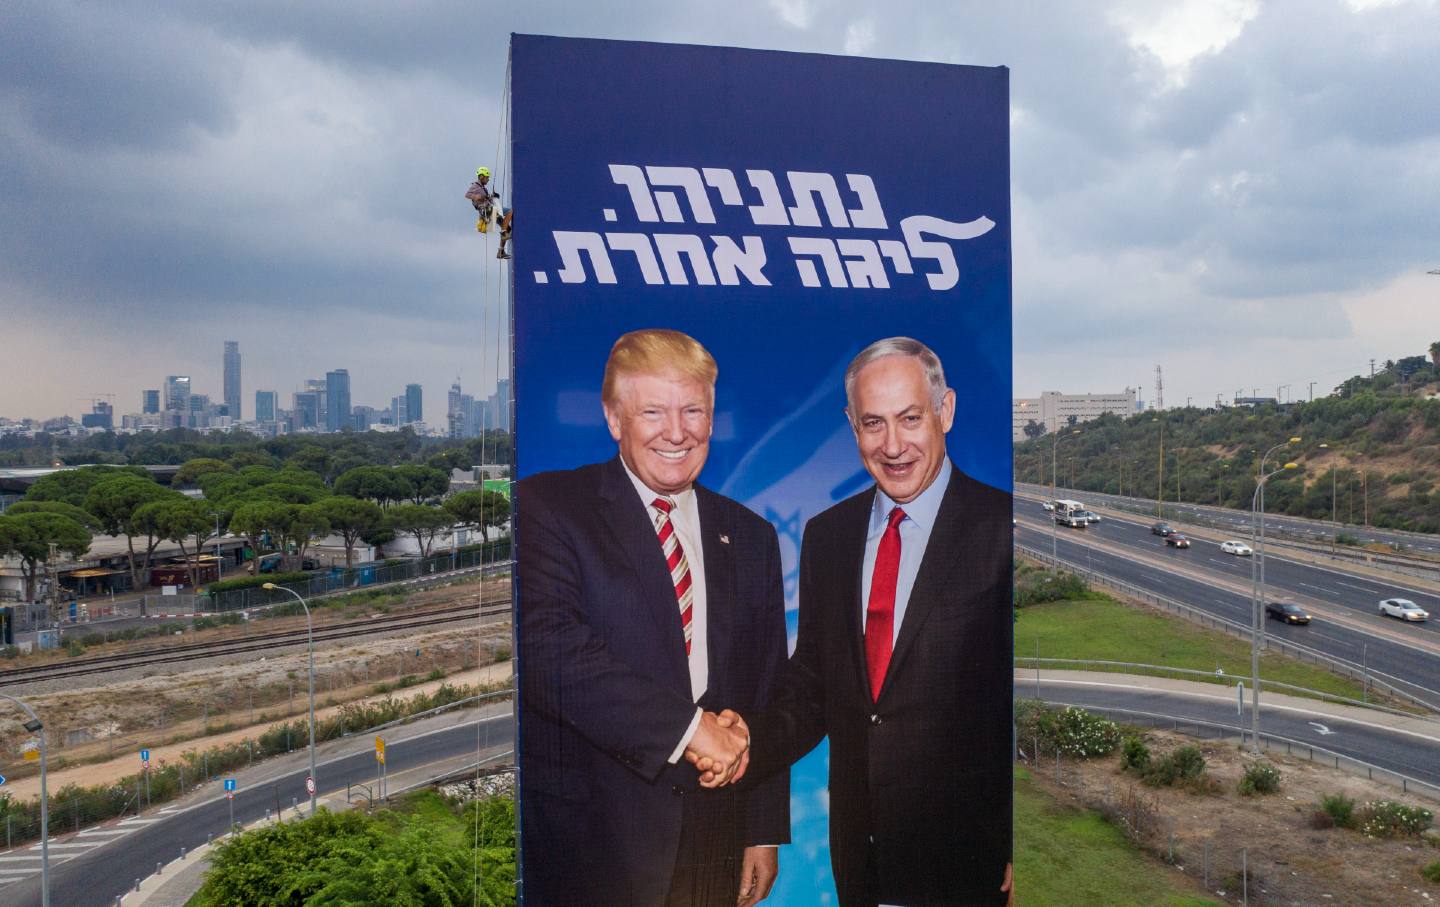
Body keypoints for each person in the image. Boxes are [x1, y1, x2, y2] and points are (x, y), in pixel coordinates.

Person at [706, 337, 1013, 906]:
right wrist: (750, 737)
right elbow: (815, 688)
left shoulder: (1004, 528)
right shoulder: (828, 537)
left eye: (910, 419)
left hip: (973, 863)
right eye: (873, 423)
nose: (893, 445)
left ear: (945, 411)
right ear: (851, 425)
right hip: (860, 861)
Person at [517, 328, 791, 906]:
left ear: (712, 419)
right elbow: (551, 653)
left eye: (693, 410)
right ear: (614, 419)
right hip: (594, 847)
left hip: (714, 841)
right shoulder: (549, 508)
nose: (676, 431)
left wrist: (762, 831)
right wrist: (692, 732)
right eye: (652, 412)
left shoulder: (751, 536)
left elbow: (766, 688)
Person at [465, 166, 512, 259]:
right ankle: (503, 233)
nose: (488, 179)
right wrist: (476, 197)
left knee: (508, 229)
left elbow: (485, 198)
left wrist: (492, 196)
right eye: (487, 177)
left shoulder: (483, 188)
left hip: (490, 210)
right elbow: (467, 195)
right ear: (481, 177)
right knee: (510, 211)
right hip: (488, 211)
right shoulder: (475, 186)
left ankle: (501, 251)